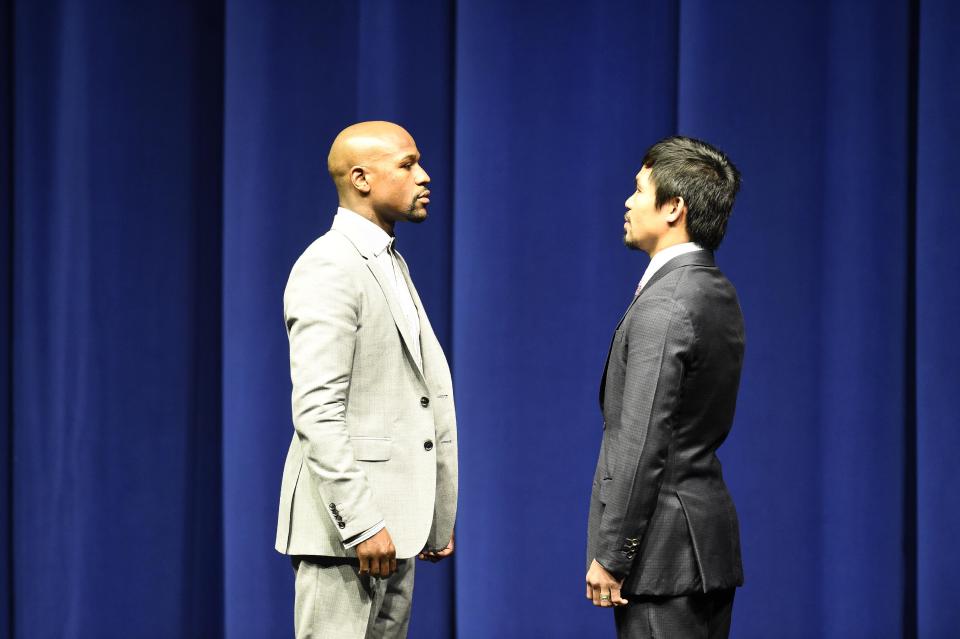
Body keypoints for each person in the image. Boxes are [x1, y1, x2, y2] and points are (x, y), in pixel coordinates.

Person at [275, 121, 457, 638]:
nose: (424, 176)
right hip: (349, 536)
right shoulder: (330, 265)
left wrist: (431, 514)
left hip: (393, 532)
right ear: (360, 178)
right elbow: (317, 411)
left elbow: (413, 399)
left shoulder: (386, 261)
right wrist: (361, 522)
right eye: (407, 164)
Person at [585, 136, 745, 638]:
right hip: (701, 550)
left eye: (638, 189)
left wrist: (612, 553)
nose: (628, 202)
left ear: (674, 207)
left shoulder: (667, 303)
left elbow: (643, 439)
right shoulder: (713, 288)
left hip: (662, 561)